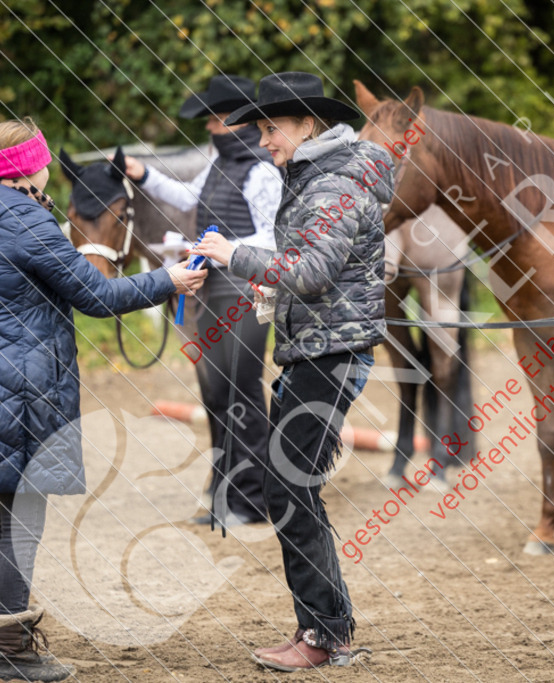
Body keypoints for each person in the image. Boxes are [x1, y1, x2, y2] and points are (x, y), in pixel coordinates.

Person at [0, 117, 205, 682]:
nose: (48, 173)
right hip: (21, 389)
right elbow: (98, 297)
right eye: (43, 164)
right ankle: (13, 649)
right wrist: (169, 280)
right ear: (28, 169)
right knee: (24, 516)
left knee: (10, 512)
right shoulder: (28, 223)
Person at [192, 71, 393, 671]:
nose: (263, 139)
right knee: (291, 485)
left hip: (328, 356)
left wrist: (234, 254)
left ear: (308, 124)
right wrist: (275, 298)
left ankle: (326, 635)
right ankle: (327, 628)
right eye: (258, 128)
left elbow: (310, 270)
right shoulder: (314, 176)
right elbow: (309, 274)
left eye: (271, 127)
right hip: (315, 349)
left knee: (287, 486)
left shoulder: (332, 184)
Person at [123, 74, 282, 526]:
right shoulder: (220, 162)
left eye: (215, 119)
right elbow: (189, 197)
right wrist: (145, 174)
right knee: (215, 391)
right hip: (214, 286)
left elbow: (272, 235)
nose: (210, 127)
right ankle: (226, 488)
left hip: (248, 288)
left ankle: (251, 500)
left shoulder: (263, 169)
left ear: (235, 119)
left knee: (242, 388)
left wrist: (216, 248)